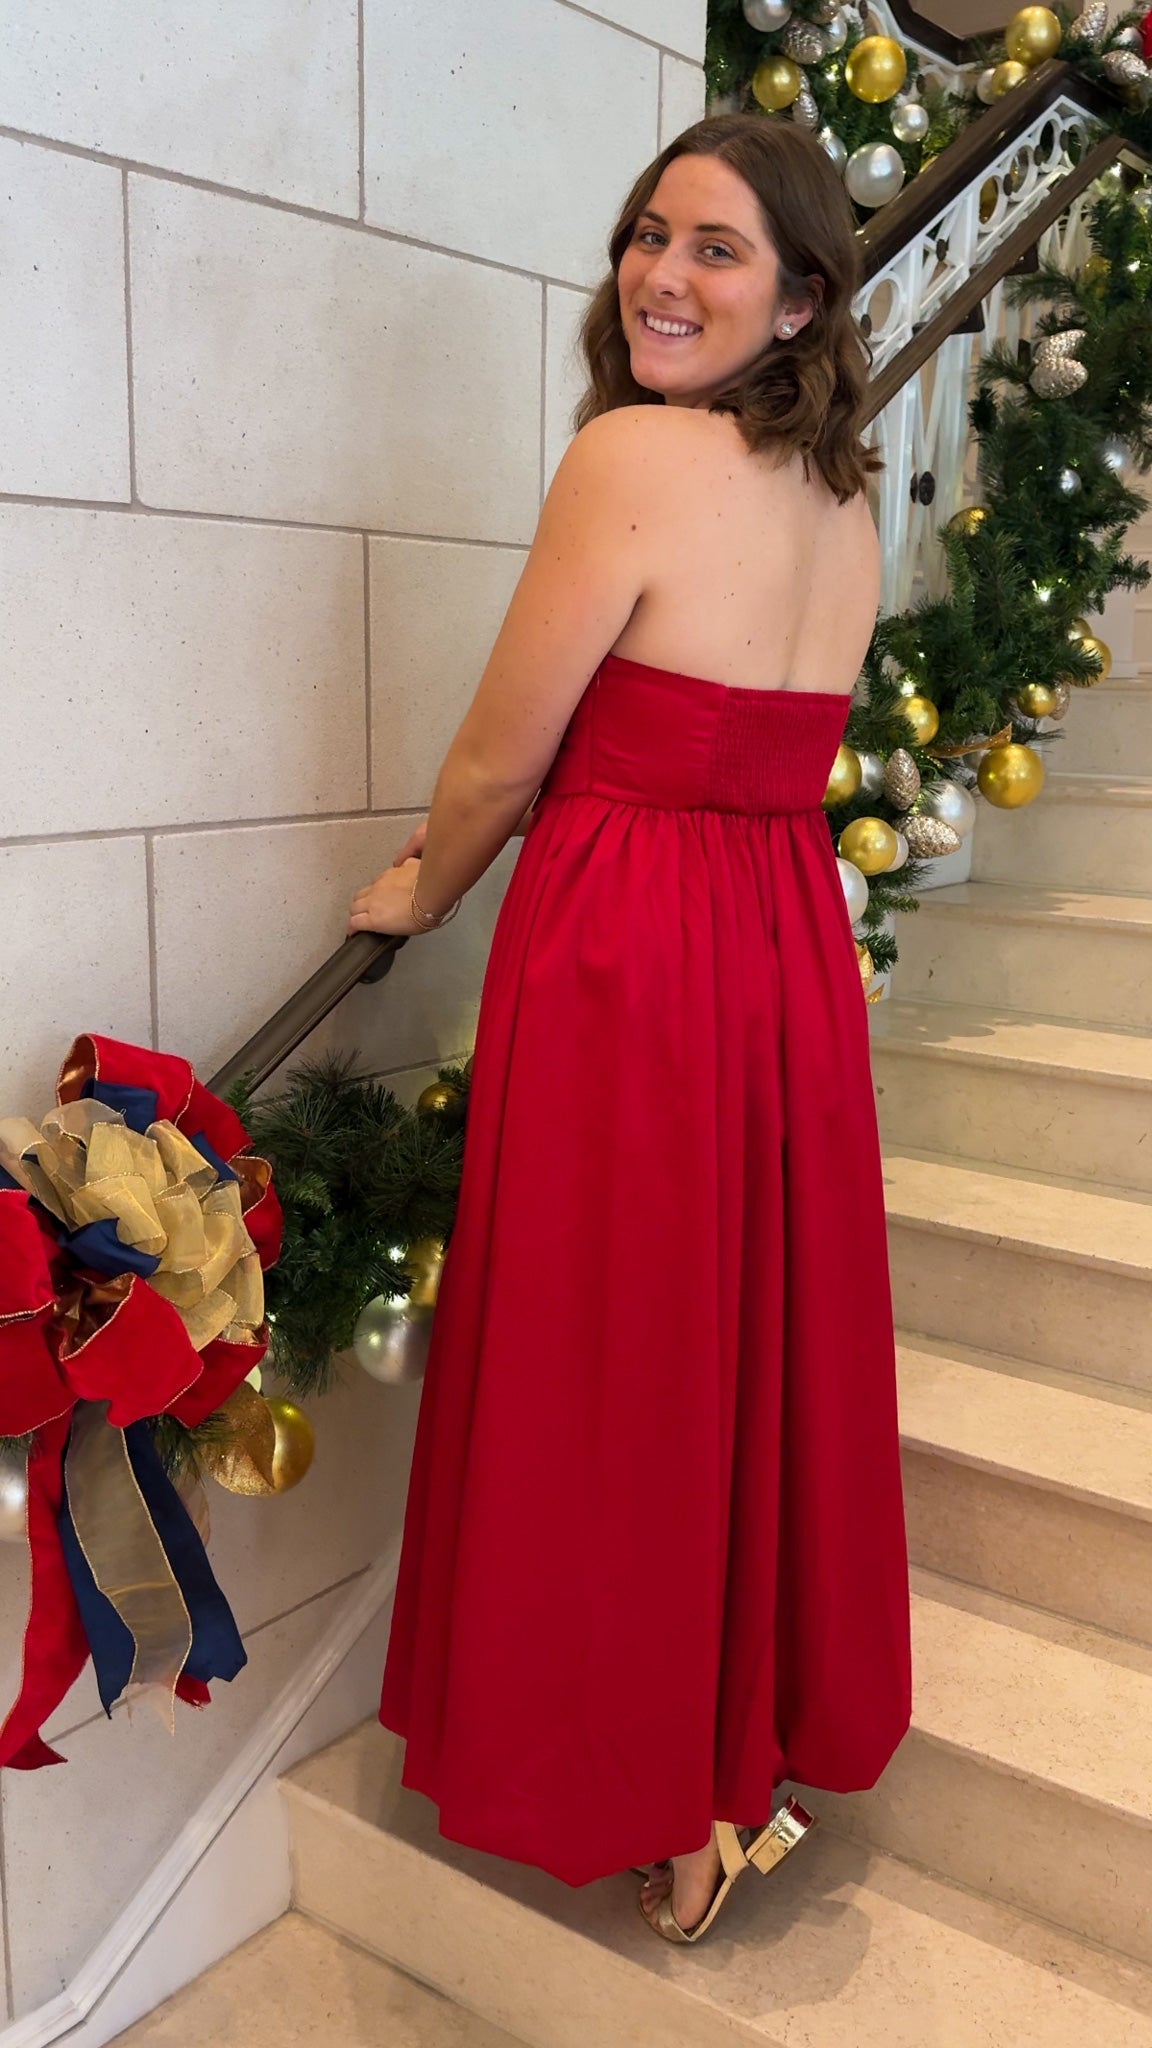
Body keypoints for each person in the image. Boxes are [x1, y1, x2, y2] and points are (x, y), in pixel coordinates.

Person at [347, 112, 911, 1945]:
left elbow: (500, 756)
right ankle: (733, 1759)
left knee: (622, 1358)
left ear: (802, 296)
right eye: (648, 233)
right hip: (779, 939)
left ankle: (657, 1783)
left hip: (636, 951)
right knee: (740, 1343)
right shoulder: (848, 498)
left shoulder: (631, 458)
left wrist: (421, 888)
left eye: (716, 249)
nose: (660, 274)